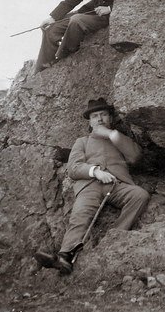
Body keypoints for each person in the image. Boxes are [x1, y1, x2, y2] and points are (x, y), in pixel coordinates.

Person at [34, 98, 150, 274]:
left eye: (103, 114)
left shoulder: (119, 139)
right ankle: (64, 257)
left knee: (140, 195)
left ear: (110, 118)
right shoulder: (82, 141)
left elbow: (135, 157)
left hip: (117, 184)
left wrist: (112, 135)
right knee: (80, 214)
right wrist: (95, 171)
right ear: (90, 121)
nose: (100, 119)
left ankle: (114, 237)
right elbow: (73, 168)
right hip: (90, 185)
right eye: (95, 116)